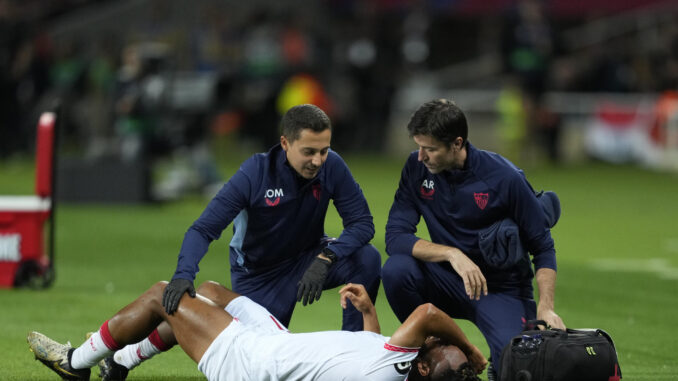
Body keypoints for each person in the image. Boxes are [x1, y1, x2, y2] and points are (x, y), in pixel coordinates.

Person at [382, 99, 566, 378]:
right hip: (446, 279)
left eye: (430, 149)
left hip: (501, 289)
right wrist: (452, 254)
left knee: (517, 365)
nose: (421, 156)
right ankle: (433, 350)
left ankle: (500, 358)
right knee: (397, 270)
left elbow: (543, 247)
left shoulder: (504, 178)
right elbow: (395, 237)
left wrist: (546, 307)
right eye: (419, 147)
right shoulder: (416, 168)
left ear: (457, 143)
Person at [28, 281, 488, 381]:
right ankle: (121, 363)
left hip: (250, 362)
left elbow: (428, 311)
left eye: (439, 347)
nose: (435, 339)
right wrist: (369, 313)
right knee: (208, 293)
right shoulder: (396, 368)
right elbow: (367, 353)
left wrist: (469, 347)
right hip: (273, 345)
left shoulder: (401, 362)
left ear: (423, 367)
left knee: (161, 298)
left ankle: (76, 363)